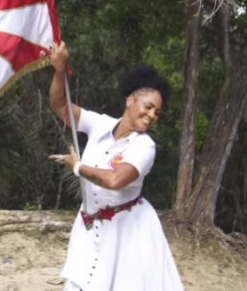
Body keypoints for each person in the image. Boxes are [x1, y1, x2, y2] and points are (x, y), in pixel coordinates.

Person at [48, 42, 185, 291]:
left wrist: (78, 168)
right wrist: (59, 70)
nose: (153, 115)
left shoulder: (145, 147)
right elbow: (59, 105)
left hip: (127, 230)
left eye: (158, 112)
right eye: (149, 106)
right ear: (131, 99)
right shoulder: (99, 124)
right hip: (89, 225)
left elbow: (115, 180)